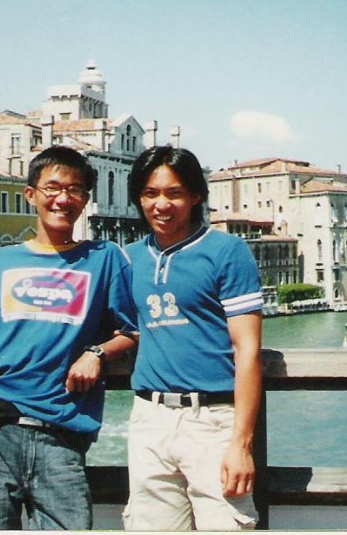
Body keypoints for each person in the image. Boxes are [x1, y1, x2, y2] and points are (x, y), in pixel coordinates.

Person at [0, 145, 138, 530]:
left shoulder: (106, 257)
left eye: (75, 190)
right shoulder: (1, 261)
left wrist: (97, 352)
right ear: (31, 195)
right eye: (53, 188)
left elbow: (129, 332)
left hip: (62, 438)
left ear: (85, 200)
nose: (63, 198)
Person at [122, 145, 264, 531]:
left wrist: (241, 444)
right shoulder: (130, 258)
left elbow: (247, 350)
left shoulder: (227, 252)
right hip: (149, 420)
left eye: (174, 193)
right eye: (150, 194)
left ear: (196, 196)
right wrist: (94, 353)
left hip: (214, 422)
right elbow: (126, 329)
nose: (161, 205)